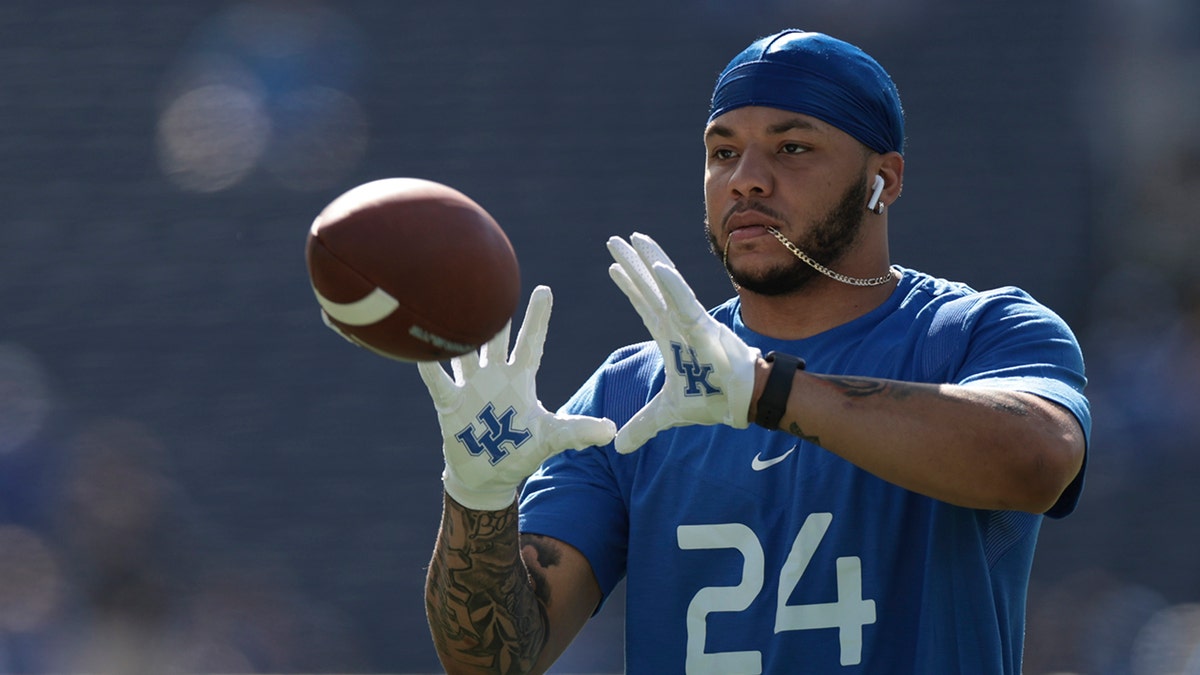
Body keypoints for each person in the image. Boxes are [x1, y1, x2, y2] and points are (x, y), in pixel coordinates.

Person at [415, 29, 1090, 674]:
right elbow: (493, 660)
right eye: (722, 151)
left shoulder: (979, 331)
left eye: (792, 148)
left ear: (884, 178)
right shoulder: (632, 390)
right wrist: (478, 498)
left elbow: (1039, 461)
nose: (746, 179)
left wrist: (766, 390)